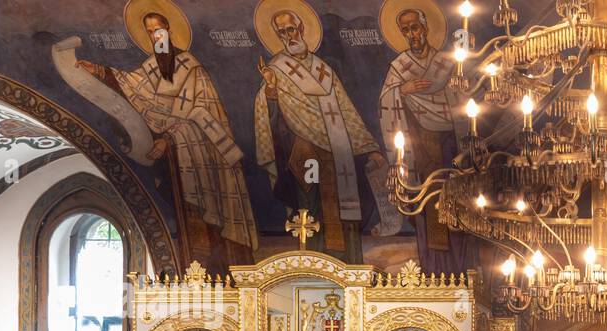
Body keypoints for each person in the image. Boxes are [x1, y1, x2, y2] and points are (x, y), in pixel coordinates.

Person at [76, 12, 256, 272]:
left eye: (159, 29)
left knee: (210, 214)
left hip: (203, 154)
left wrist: (170, 137)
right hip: (174, 156)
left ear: (169, 30)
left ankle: (224, 274)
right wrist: (101, 72)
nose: (155, 35)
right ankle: (197, 273)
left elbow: (205, 115)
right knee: (185, 212)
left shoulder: (191, 66)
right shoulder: (149, 68)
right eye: (150, 32)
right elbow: (131, 85)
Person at [253, 8, 393, 261]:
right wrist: (271, 92)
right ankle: (314, 262)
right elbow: (266, 116)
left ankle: (348, 265)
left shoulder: (324, 70)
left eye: (291, 29)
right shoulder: (276, 70)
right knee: (311, 207)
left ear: (302, 29)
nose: (288, 36)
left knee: (343, 208)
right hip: (303, 152)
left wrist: (370, 147)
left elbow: (347, 111)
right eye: (281, 32)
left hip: (337, 153)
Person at [379, 7, 478, 275]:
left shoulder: (447, 63)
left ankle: (459, 272)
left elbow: (465, 101)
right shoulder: (399, 67)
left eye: (415, 27)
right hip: (421, 148)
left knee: (456, 204)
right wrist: (401, 90)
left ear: (426, 27)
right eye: (406, 30)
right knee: (427, 205)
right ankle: (433, 272)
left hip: (450, 146)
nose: (412, 34)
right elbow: (386, 101)